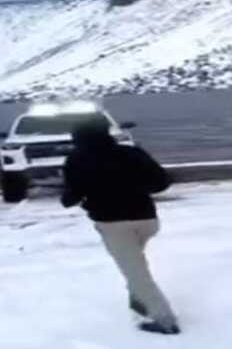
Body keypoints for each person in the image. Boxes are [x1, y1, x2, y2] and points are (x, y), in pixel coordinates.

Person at [61, 118, 179, 336]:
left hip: (112, 224)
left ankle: (165, 321)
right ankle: (139, 304)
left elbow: (70, 197)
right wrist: (134, 187)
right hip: (147, 220)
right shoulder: (132, 153)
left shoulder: (76, 159)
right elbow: (161, 182)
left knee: (136, 273)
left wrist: (84, 195)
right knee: (136, 265)